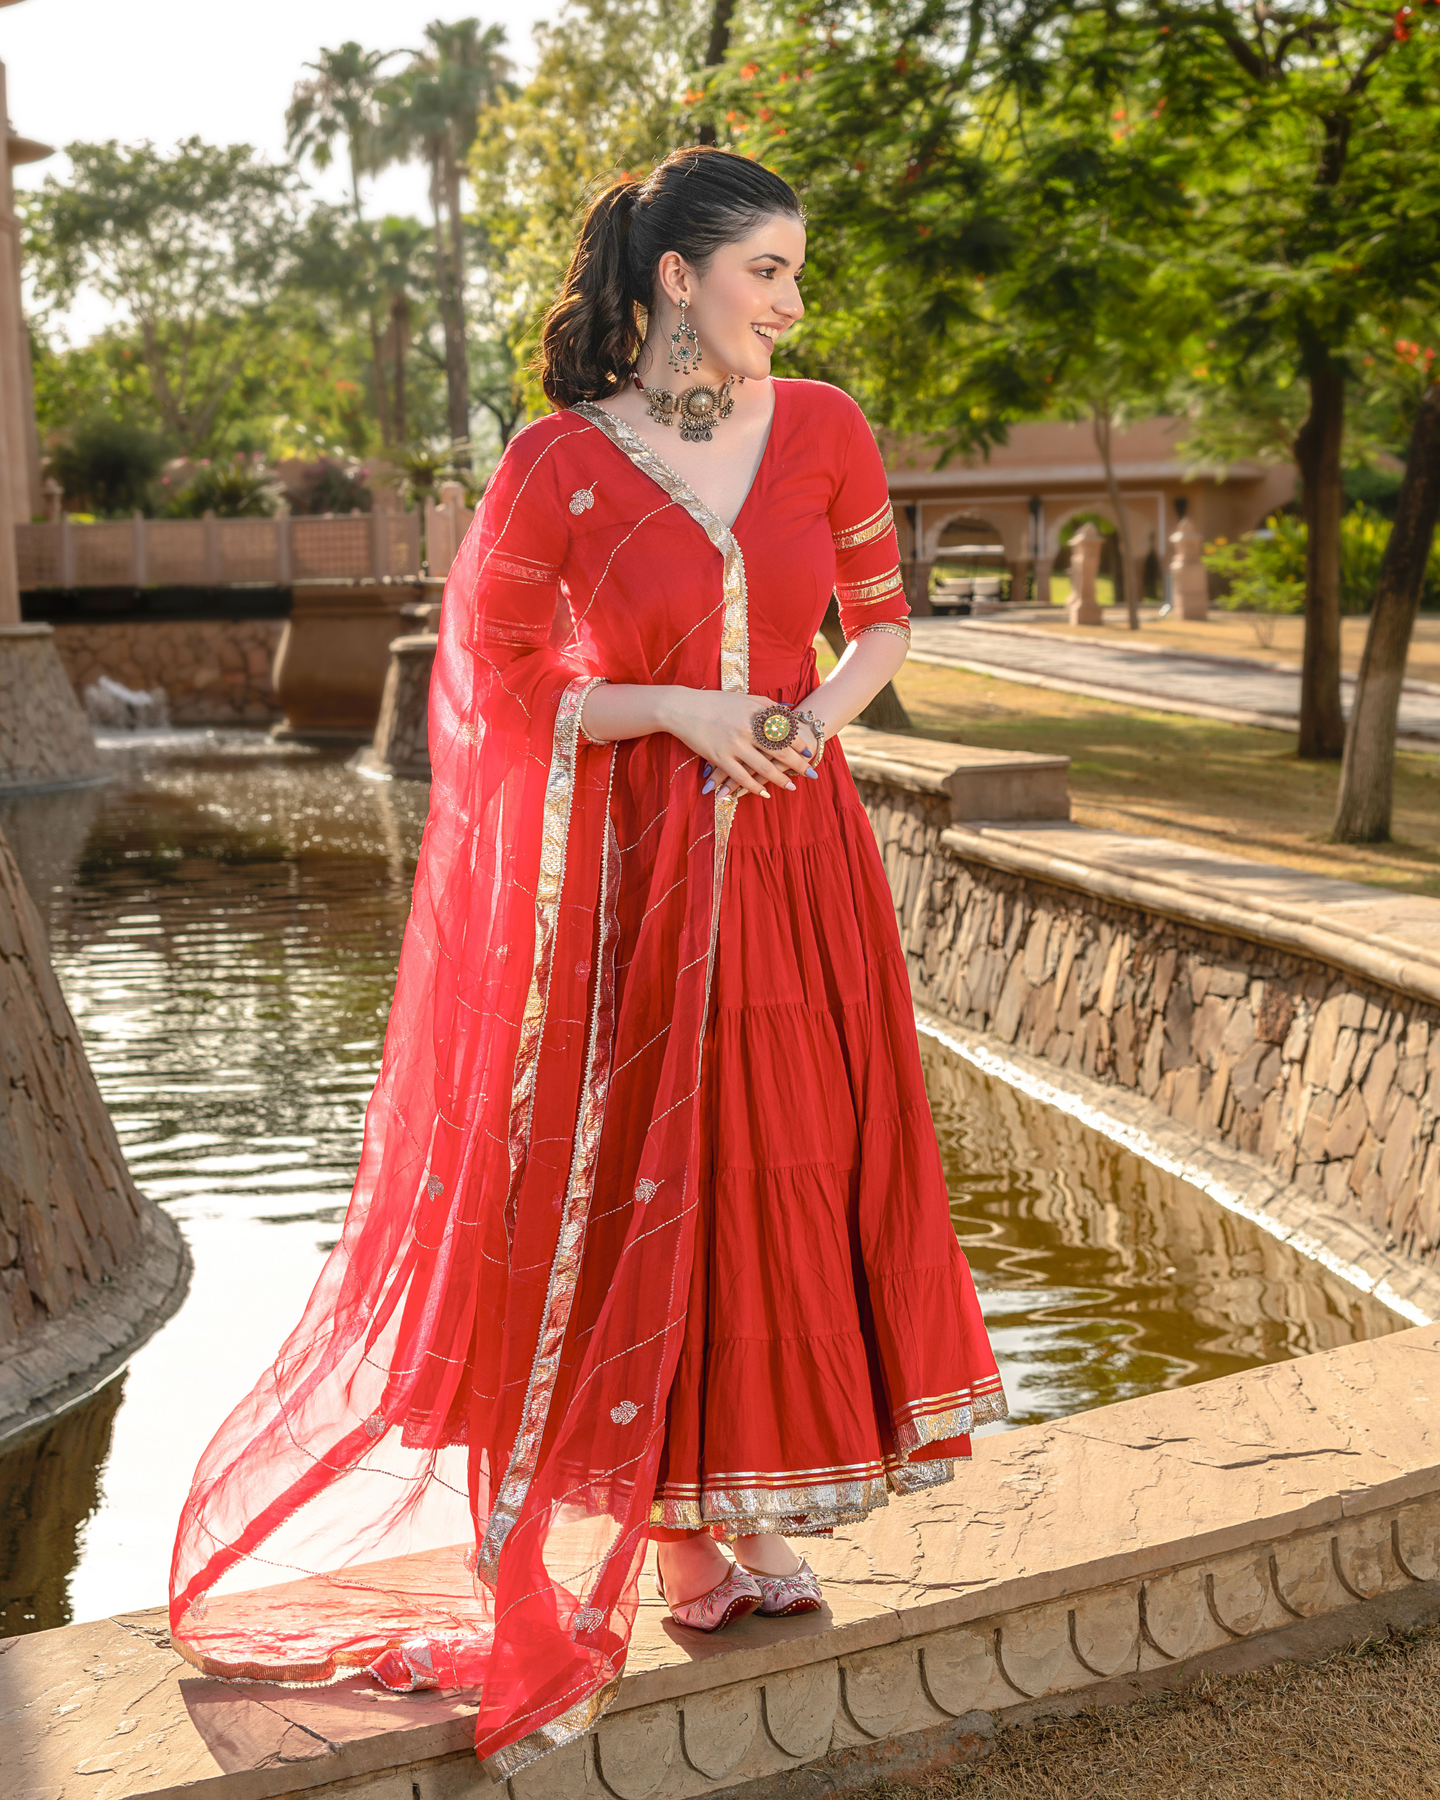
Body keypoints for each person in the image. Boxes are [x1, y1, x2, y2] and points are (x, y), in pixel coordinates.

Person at [169, 146, 1005, 1781]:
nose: (792, 300)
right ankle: (678, 1533)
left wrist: (801, 726)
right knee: (646, 1175)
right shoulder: (560, 461)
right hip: (635, 870)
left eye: (798, 270)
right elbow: (493, 680)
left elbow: (882, 622)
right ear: (677, 278)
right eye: (767, 269)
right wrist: (681, 708)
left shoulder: (824, 427)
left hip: (794, 851)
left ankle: (750, 1501)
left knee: (784, 1158)